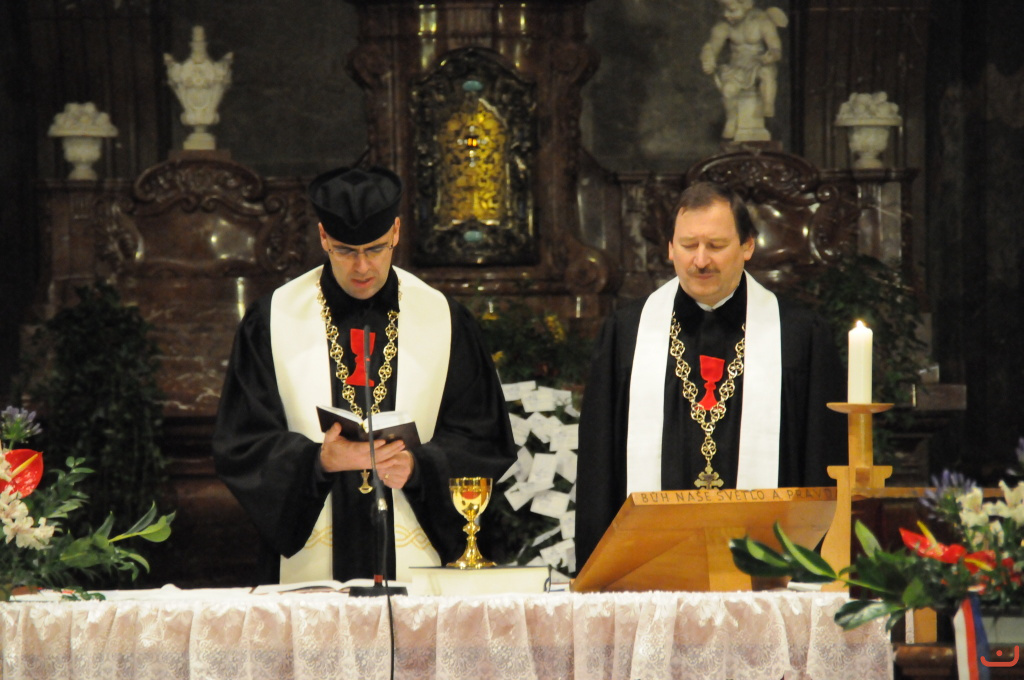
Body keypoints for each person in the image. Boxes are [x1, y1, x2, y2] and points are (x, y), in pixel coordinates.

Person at [213, 166, 515, 584]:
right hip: (307, 570)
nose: (361, 267)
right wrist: (318, 461)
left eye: (374, 249)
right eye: (344, 251)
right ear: (323, 237)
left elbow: (483, 437)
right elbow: (242, 441)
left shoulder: (445, 319)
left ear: (396, 232)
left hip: (417, 560)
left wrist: (418, 467)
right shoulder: (271, 320)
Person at [575, 181, 846, 568]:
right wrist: (599, 571)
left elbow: (822, 460)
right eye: (688, 245)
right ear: (670, 248)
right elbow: (599, 465)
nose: (700, 261)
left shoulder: (800, 335)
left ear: (748, 246)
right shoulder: (626, 333)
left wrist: (814, 571)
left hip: (773, 572)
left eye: (716, 245)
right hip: (651, 571)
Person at [700, 0, 788, 140]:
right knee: (728, 90)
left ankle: (768, 108)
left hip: (758, 64)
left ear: (746, 5)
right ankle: (731, 119)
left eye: (732, 10)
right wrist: (708, 59)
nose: (726, 14)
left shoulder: (762, 21)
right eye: (724, 10)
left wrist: (772, 55)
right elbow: (711, 47)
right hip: (736, 68)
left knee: (767, 73)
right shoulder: (724, 26)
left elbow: (776, 48)